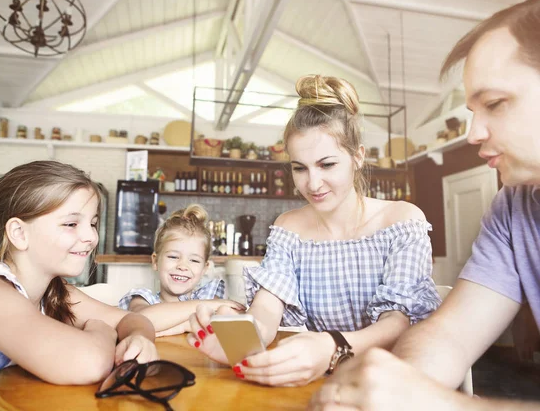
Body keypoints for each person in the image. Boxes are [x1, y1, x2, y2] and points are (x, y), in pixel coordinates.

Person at [308, 0, 540, 410]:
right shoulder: (513, 208)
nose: (473, 132)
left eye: (495, 103)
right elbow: (449, 334)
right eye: (471, 110)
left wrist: (453, 405)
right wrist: (392, 388)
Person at [186, 74, 441, 387]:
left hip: (388, 383)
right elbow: (268, 307)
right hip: (313, 381)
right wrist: (242, 335)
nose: (312, 183)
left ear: (357, 157)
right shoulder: (287, 228)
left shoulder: (401, 222)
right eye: (300, 168)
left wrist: (331, 346)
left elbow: (397, 324)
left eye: (327, 165)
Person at [0, 161, 157, 411]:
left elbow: (131, 320)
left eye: (93, 223)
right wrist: (102, 330)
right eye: (71, 224)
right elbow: (89, 362)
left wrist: (138, 338)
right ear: (19, 233)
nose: (91, 237)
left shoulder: (55, 292)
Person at [119, 204, 244, 337]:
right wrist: (187, 324)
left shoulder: (208, 297)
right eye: (173, 257)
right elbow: (142, 320)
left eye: (194, 260)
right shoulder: (143, 299)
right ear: (155, 261)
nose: (183, 266)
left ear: (204, 269)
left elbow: (238, 324)